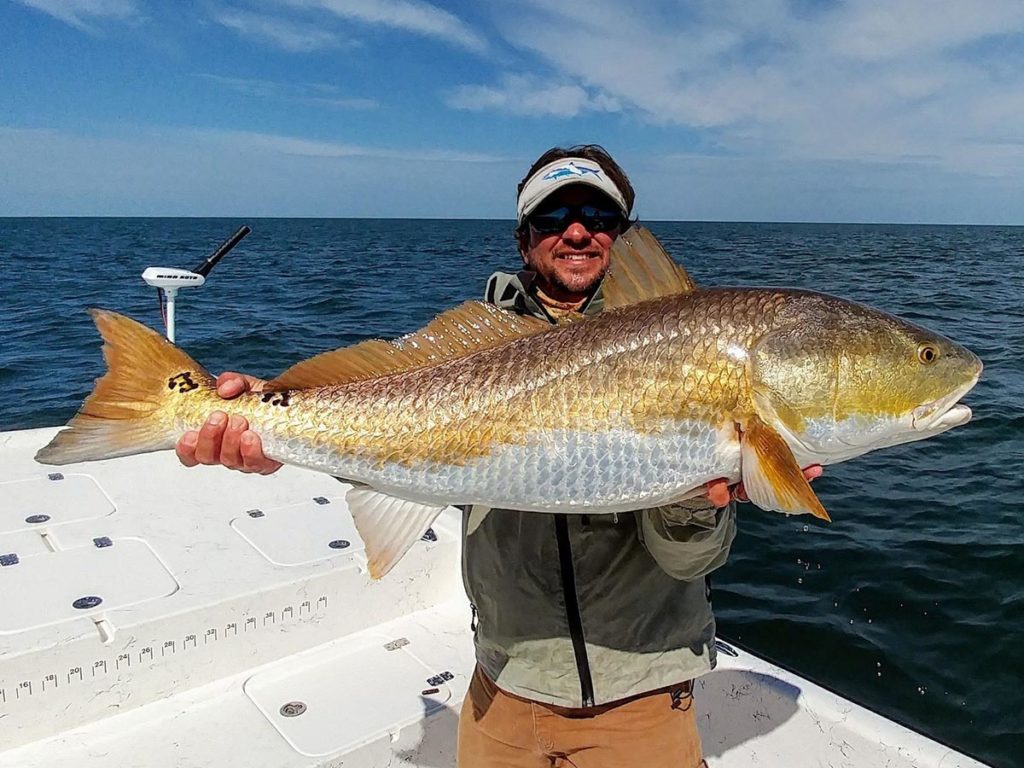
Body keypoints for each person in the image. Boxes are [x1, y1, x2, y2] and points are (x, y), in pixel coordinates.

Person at [176, 145, 821, 767]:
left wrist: (693, 500)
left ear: (623, 238)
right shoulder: (471, 348)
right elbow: (389, 430)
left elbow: (691, 561)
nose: (576, 232)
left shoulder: (694, 342)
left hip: (643, 694)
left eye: (599, 219)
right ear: (524, 237)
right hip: (503, 689)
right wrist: (270, 427)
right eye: (553, 217)